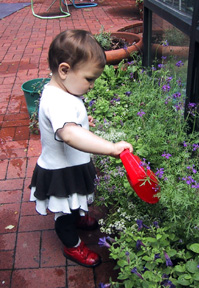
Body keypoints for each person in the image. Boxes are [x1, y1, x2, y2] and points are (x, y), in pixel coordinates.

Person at [30, 30, 133, 268]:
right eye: (89, 79)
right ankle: (72, 245)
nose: (92, 85)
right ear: (64, 70)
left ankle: (77, 214)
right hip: (61, 173)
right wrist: (111, 148)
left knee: (74, 200)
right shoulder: (57, 101)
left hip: (71, 166)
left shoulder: (63, 90)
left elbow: (71, 122)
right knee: (63, 214)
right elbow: (68, 133)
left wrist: (83, 122)